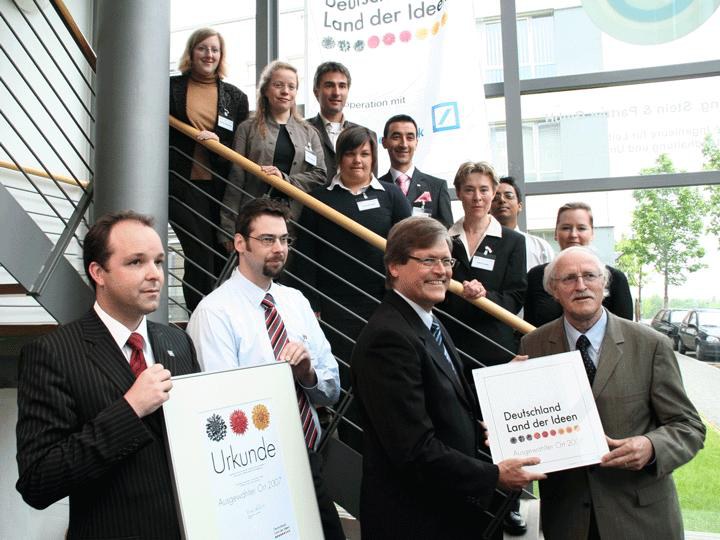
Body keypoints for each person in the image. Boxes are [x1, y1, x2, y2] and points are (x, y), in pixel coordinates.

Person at [351, 216, 545, 540]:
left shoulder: (428, 321)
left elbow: (443, 397)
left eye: (446, 261)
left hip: (446, 511)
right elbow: (414, 449)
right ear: (394, 266)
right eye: (428, 260)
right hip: (416, 520)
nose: (442, 271)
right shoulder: (388, 339)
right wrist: (494, 475)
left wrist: (498, 387)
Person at [16, 211, 200, 539]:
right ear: (98, 272)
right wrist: (129, 409)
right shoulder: (52, 354)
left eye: (158, 262)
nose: (155, 275)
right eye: (136, 262)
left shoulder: (178, 341)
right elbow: (38, 481)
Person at [518, 246, 705, 540]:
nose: (581, 286)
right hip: (568, 519)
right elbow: (528, 421)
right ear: (554, 290)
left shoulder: (650, 344)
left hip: (640, 518)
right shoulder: (533, 345)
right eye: (569, 278)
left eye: (590, 276)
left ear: (604, 284)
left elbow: (689, 426)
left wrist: (651, 446)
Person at [186, 198, 344, 540]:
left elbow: (332, 388)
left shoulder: (296, 301)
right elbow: (223, 406)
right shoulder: (214, 313)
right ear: (239, 243)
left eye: (284, 239)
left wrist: (308, 375)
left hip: (308, 459)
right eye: (268, 239)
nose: (279, 249)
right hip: (255, 471)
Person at [295, 126, 411, 342]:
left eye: (364, 154)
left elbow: (411, 247)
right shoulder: (317, 199)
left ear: (373, 158)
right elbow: (305, 256)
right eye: (350, 153)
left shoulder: (392, 195)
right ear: (339, 157)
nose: (358, 160)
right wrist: (311, 303)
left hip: (385, 301)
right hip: (334, 305)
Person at [169, 28, 249, 311]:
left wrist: (218, 142)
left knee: (221, 254)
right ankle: (198, 315)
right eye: (202, 48)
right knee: (198, 253)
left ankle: (219, 315)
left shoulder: (235, 97)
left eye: (214, 49)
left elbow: (238, 144)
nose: (208, 54)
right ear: (191, 52)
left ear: (221, 55)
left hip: (220, 187)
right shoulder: (170, 87)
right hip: (181, 184)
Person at [221, 61, 326, 237]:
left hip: (296, 221)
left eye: (291, 87)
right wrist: (228, 227)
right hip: (254, 219)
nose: (285, 91)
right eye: (278, 85)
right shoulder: (247, 129)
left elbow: (320, 174)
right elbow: (236, 178)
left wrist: (285, 179)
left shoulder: (310, 133)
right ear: (265, 90)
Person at [440, 161, 527, 368]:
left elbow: (516, 297)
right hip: (450, 343)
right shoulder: (442, 238)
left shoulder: (513, 241)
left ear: (494, 192)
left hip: (496, 346)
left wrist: (484, 296)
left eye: (484, 190)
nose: (477, 197)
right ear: (459, 193)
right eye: (469, 190)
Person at [524, 202, 633, 327]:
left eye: (581, 228)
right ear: (556, 233)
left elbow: (624, 331)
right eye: (566, 228)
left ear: (592, 233)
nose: (573, 235)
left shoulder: (616, 278)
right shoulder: (536, 276)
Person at [306, 61, 378, 180]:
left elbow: (371, 182)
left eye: (342, 86)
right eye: (329, 85)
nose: (336, 92)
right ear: (316, 92)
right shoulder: (301, 130)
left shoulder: (368, 136)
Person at [378, 114, 453, 227]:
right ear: (384, 142)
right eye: (396, 137)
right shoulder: (375, 188)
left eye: (410, 138)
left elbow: (447, 232)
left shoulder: (437, 187)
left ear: (416, 142)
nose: (404, 144)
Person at [491, 175, 554, 270]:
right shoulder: (480, 245)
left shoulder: (540, 247)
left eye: (509, 196)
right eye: (495, 198)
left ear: (519, 206)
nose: (502, 200)